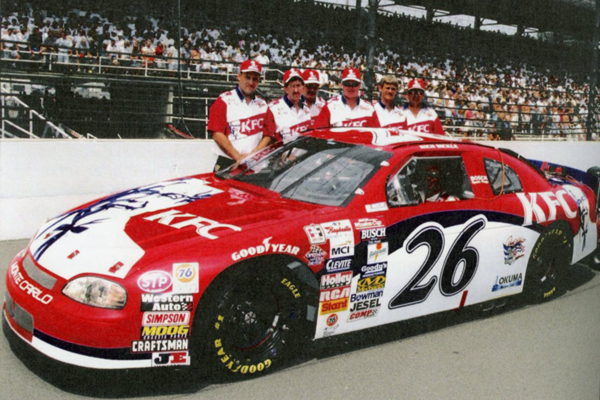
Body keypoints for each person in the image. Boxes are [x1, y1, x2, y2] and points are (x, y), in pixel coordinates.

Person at [207, 59, 268, 172]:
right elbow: (217, 134)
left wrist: (253, 156)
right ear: (239, 76)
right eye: (247, 77)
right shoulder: (224, 100)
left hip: (255, 164)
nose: (251, 82)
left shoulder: (263, 104)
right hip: (229, 163)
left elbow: (268, 134)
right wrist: (239, 158)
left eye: (255, 79)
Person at [314, 67, 380, 128]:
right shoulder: (329, 106)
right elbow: (318, 134)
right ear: (342, 85)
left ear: (360, 85)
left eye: (354, 84)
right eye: (347, 84)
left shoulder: (369, 109)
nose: (350, 87)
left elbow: (377, 136)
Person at [263, 68, 311, 144]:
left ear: (303, 87)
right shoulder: (273, 109)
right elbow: (267, 139)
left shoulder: (307, 108)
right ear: (285, 89)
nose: (296, 90)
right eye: (292, 86)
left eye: (298, 86)